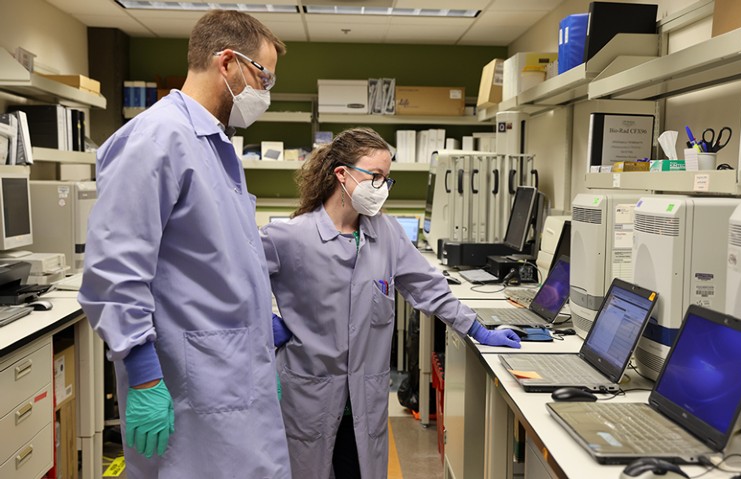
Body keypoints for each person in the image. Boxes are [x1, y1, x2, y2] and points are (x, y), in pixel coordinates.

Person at [78, 10, 291, 479]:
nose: (266, 92)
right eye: (264, 75)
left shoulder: (213, 143)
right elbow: (115, 270)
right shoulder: (158, 138)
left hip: (232, 371)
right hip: (189, 383)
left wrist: (260, 337)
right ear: (228, 63)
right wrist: (143, 371)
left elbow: (215, 257)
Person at [260, 127, 521, 479]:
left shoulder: (386, 233)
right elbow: (232, 282)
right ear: (342, 174)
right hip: (310, 396)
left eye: (387, 178)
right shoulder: (290, 237)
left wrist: (476, 328)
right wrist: (262, 320)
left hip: (363, 401)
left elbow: (428, 287)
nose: (381, 187)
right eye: (376, 176)